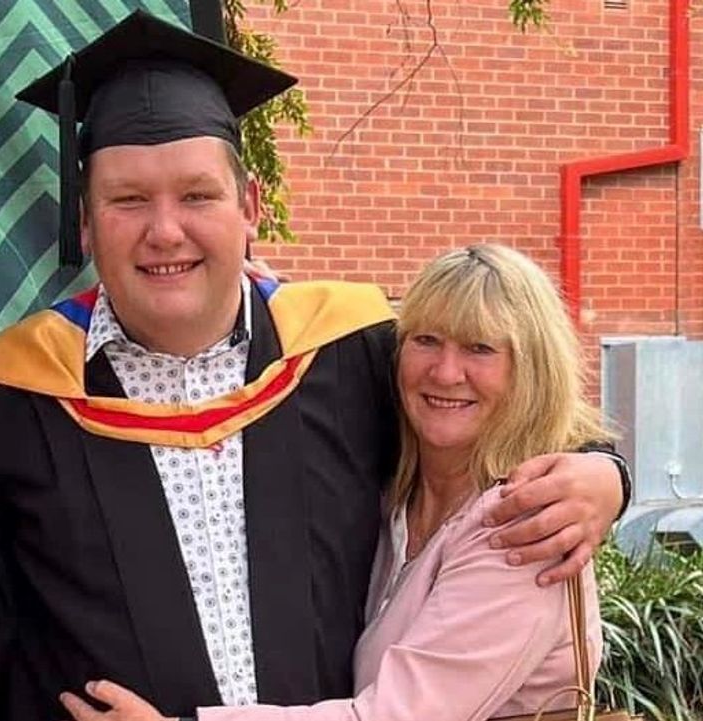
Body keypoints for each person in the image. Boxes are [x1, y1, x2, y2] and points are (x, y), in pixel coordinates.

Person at [0, 11, 629, 721]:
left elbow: (498, 416)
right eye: (128, 200)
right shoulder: (7, 397)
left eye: (197, 195)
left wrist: (604, 473)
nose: (165, 230)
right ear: (86, 223)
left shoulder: (347, 345)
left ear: (249, 205)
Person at [59, 244, 610, 721]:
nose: (445, 372)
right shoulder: (397, 492)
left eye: (480, 349)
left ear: (530, 371)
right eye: (426, 340)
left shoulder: (524, 529)